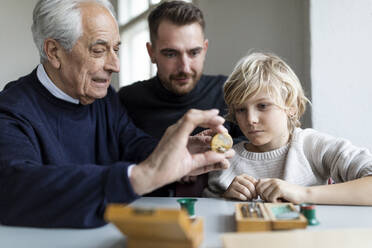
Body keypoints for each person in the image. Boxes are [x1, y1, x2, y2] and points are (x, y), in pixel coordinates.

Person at [0, 0, 234, 228]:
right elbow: (14, 188)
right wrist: (137, 178)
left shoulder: (104, 98)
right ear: (54, 52)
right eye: (99, 50)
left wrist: (176, 151)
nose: (115, 65)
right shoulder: (10, 110)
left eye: (116, 49)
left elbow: (131, 142)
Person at [205, 52, 372, 205]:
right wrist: (225, 199)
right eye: (241, 109)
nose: (250, 119)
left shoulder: (312, 146)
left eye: (263, 106)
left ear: (291, 106)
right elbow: (205, 214)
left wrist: (303, 194)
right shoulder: (226, 159)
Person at [118, 1, 243, 197]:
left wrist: (204, 157)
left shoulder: (229, 91)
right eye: (171, 54)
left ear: (205, 48)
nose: (184, 67)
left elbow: (256, 146)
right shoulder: (127, 100)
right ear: (151, 52)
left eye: (194, 52)